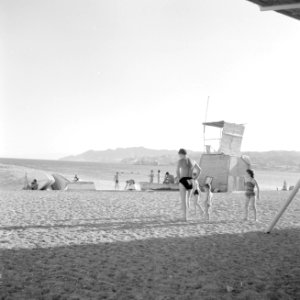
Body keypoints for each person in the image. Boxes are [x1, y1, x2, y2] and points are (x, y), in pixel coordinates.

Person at [176, 148, 201, 221]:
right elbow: (199, 170)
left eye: (179, 154)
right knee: (188, 199)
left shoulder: (180, 161)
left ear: (181, 154)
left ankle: (185, 217)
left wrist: (178, 178)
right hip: (190, 181)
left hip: (183, 180)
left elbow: (177, 171)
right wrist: (195, 178)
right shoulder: (193, 161)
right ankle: (187, 215)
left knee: (183, 200)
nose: (179, 156)